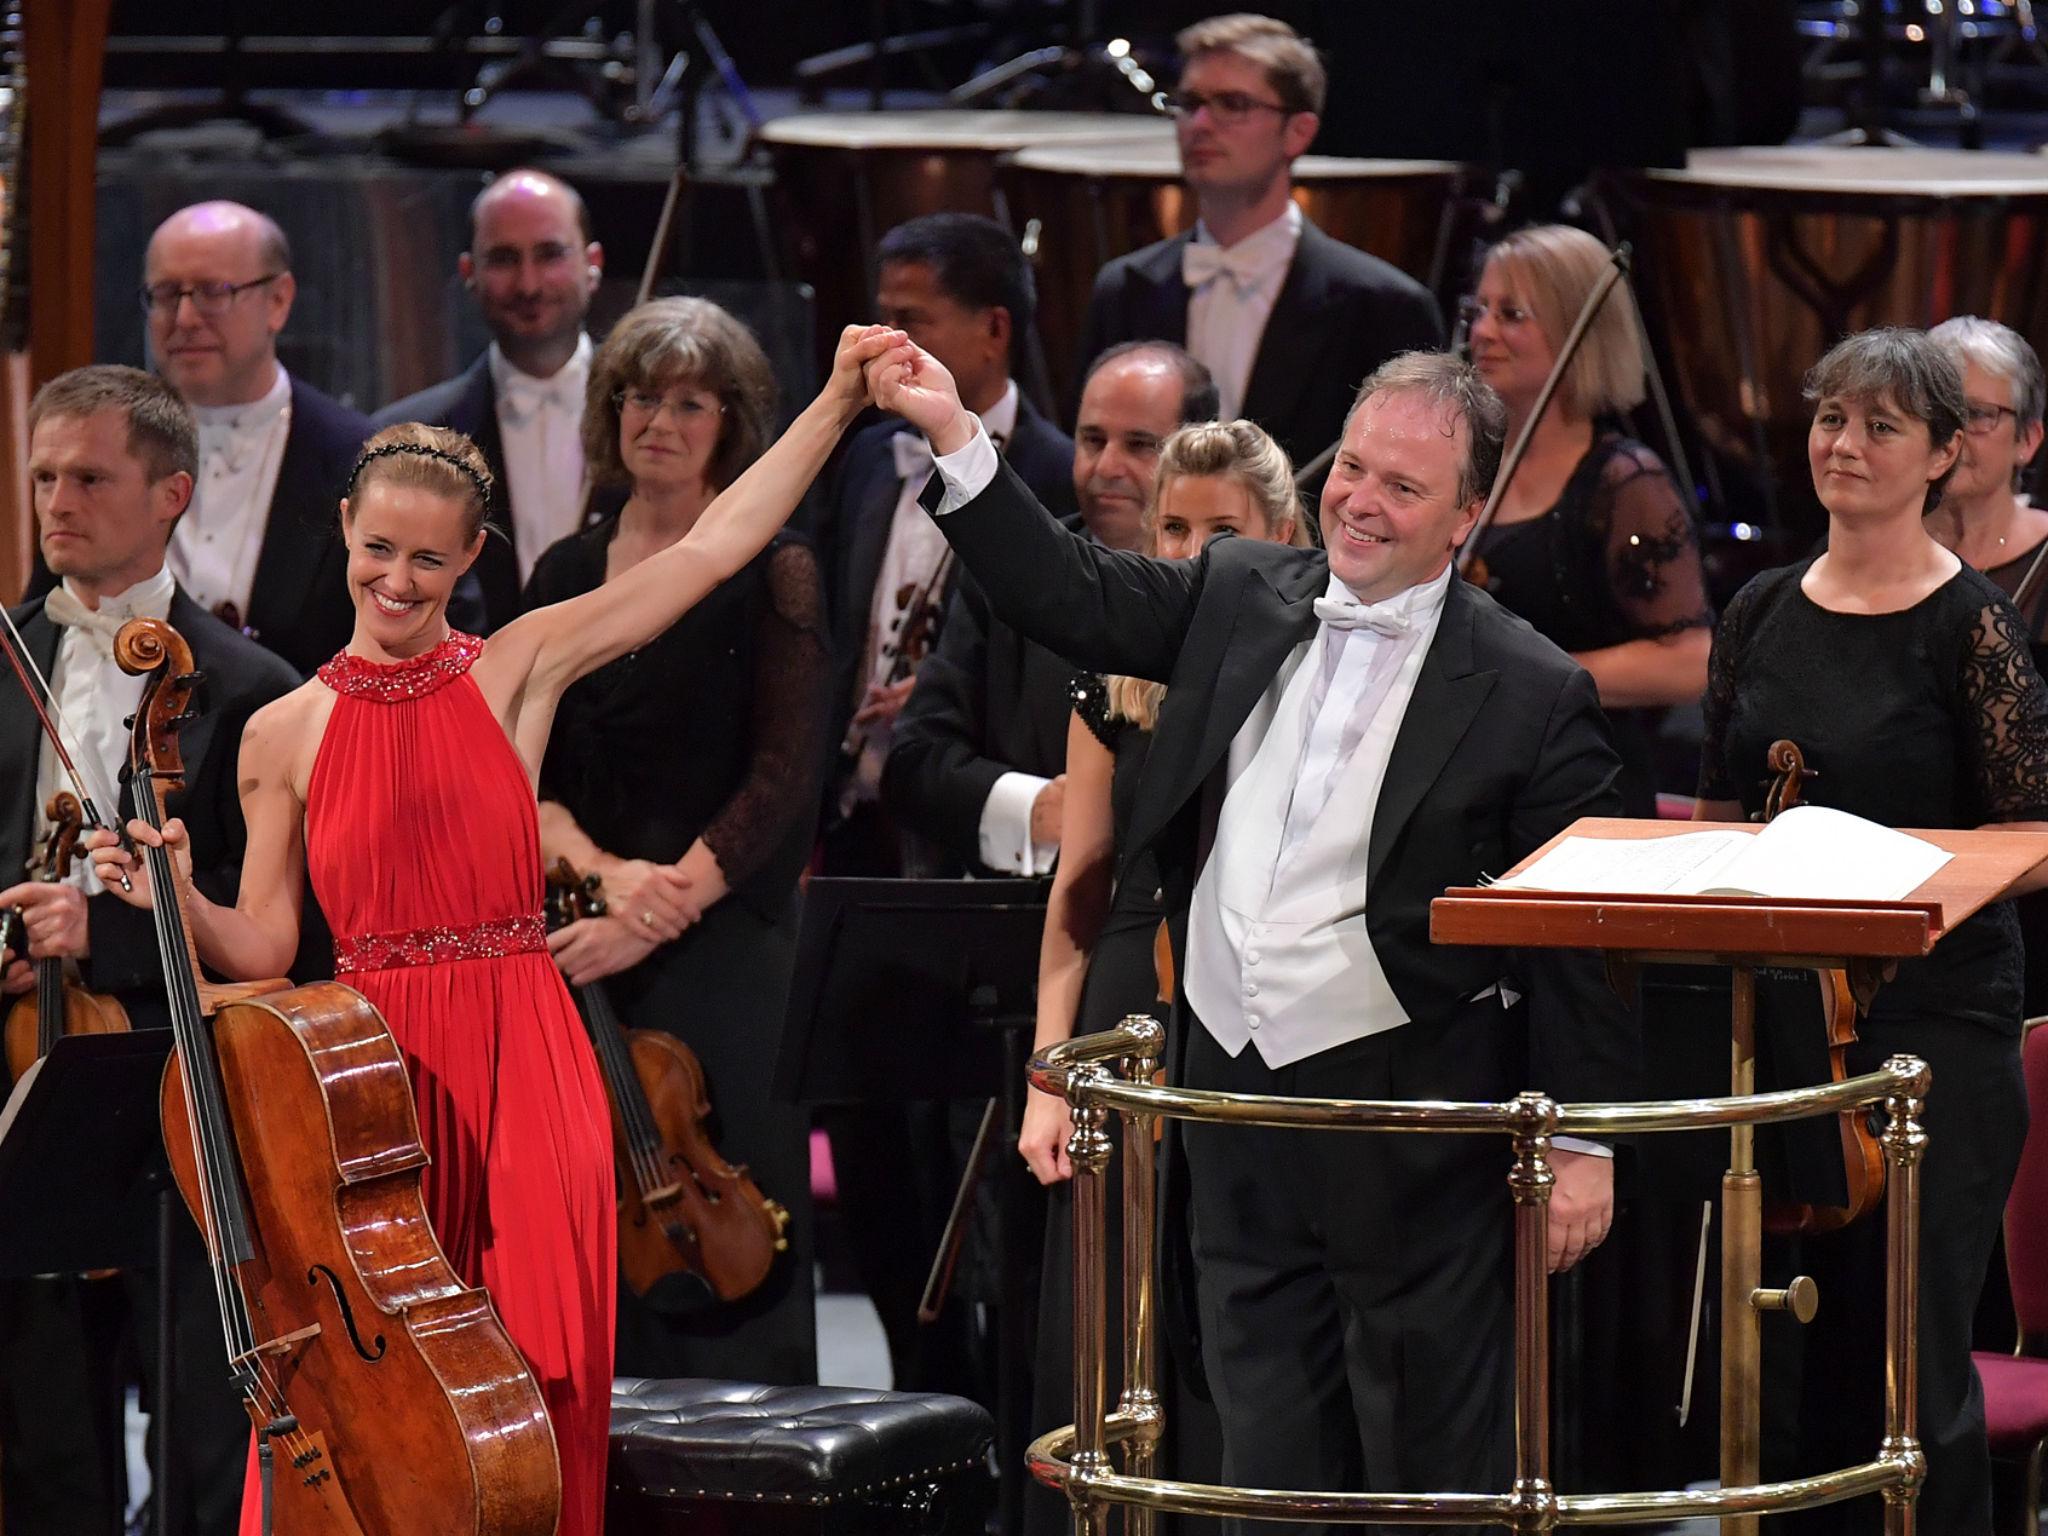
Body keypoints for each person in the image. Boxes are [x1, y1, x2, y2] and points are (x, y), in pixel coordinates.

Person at [88, 324, 907, 1536]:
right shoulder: (281, 732)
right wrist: (174, 898)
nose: (398, 582)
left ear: (472, 554)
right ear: (347, 540)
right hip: (371, 1099)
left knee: (533, 1396)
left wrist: (839, 402)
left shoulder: (516, 667)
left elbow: (720, 544)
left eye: (428, 558)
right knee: (377, 1410)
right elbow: (264, 947)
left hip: (527, 1068)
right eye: (377, 552)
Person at [869, 337, 1637, 1533]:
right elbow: (1065, 590)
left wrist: (1584, 1144)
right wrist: (957, 435)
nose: (1361, 501)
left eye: (1402, 487)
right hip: (1228, 1100)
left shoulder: (1532, 688)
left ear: (1463, 517)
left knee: (1424, 1474)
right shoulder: (1236, 590)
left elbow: (1582, 935)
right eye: (1354, 469)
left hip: (1413, 1125)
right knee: (1258, 1459)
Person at [1697, 327, 2048, 1535]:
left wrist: (1889, 886)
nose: (1841, 446)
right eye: (1829, 420)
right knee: (1786, 1343)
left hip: (1931, 1030)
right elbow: (1717, 812)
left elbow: (2033, 835)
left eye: (1880, 427)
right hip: (1789, 1027)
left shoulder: (1971, 629)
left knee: (1904, 1356)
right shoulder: (1752, 610)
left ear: (1945, 454)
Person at [0, 366, 304, 1535]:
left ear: (172, 491)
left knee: (198, 1429)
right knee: (43, 1431)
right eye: (42, 476)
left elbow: (276, 932)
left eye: (89, 476)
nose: (57, 501)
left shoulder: (250, 692)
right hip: (27, 1084)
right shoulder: (5, 657)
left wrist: (113, 931)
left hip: (191, 1098)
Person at [525, 296, 826, 1385]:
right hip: (582, 943)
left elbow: (786, 782)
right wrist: (605, 887)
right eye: (642, 397)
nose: (659, 421)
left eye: (689, 402)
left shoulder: (774, 569)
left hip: (726, 948)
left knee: (737, 1245)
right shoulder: (562, 573)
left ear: (730, 423)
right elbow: (529, 771)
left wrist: (661, 908)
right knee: (592, 1249)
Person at [1021, 418, 1306, 1536]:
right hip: (1118, 1014)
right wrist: (1049, 1070)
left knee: (1218, 1316)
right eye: (1173, 529)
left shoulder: (1309, 668)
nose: (1192, 556)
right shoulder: (1110, 673)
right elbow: (1077, 887)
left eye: (1221, 531)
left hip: (1243, 1013)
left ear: (1281, 534)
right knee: (1104, 1320)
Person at [880, 343, 1219, 880]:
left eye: (1139, 445)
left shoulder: (1231, 596)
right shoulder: (1001, 577)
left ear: (1200, 453)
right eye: (1092, 440)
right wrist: (1034, 809)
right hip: (1017, 923)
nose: (1108, 466)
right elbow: (913, 764)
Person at [1075, 14, 1442, 479]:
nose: (1200, 124)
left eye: (1233, 103)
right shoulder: (1124, 289)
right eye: (1189, 103)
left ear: (1299, 132)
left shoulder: (1383, 306)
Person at [821, 212, 1077, 876]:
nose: (881, 344)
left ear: (993, 330)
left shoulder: (1060, 476)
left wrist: (945, 692)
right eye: (881, 318)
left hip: (965, 828)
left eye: (911, 321)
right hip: (848, 817)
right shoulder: (871, 454)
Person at [1463, 224, 1712, 816]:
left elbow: (1689, 659)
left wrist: (1532, 678)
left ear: (1580, 331)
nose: (1482, 332)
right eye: (1479, 311)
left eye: (1512, 314)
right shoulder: (1461, 460)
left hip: (1581, 790)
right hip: (1470, 781)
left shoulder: (1624, 482)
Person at [143, 200, 371, 675]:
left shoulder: (360, 458)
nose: (184, 317)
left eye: (212, 292)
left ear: (279, 301)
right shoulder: (106, 450)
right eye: (166, 294)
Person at [374, 168, 606, 631]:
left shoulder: (654, 421)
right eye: (503, 259)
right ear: (468, 273)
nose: (529, 284)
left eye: (550, 254)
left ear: (592, 263)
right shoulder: (412, 436)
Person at [1925, 317, 2048, 640]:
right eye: (1936, 411)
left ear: (2028, 440)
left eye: (1977, 414)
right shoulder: (1869, 544)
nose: (1952, 434)